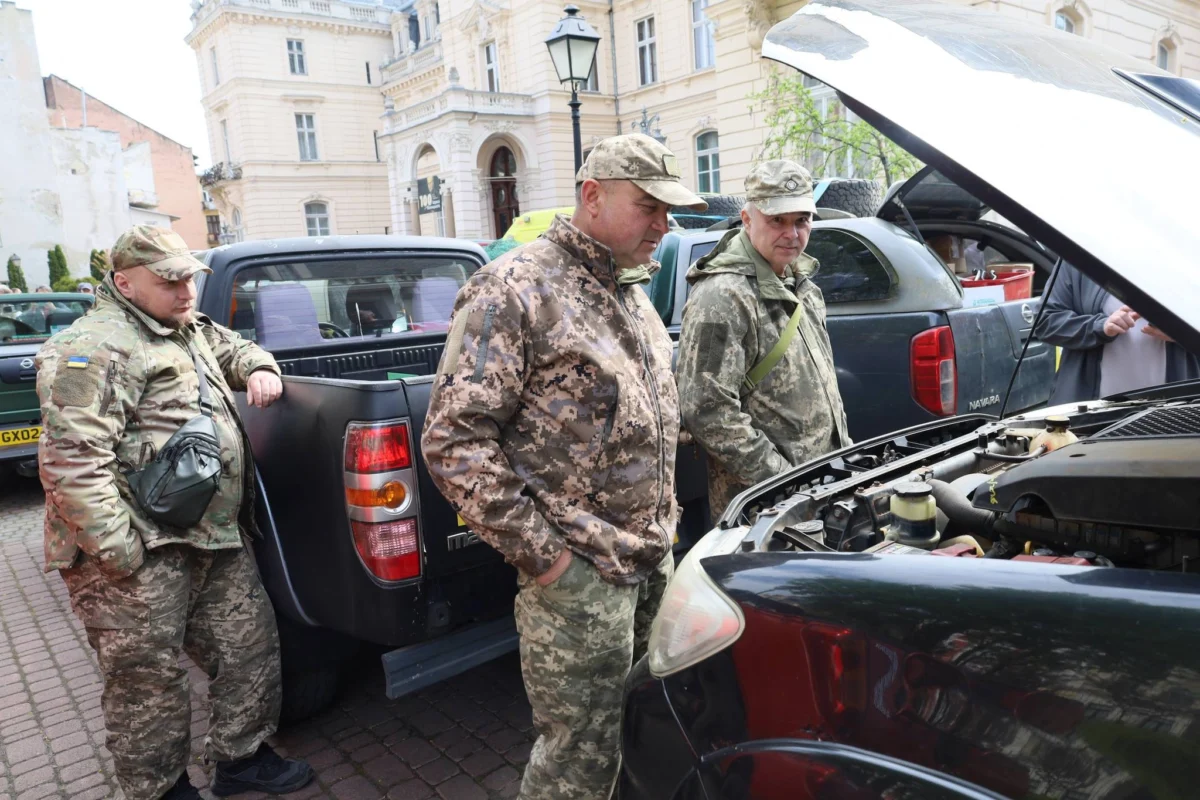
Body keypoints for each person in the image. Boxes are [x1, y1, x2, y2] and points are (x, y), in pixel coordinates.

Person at [422, 134, 707, 800]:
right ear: (593, 196)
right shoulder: (514, 288)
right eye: (649, 207)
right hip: (579, 580)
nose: (665, 226)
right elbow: (454, 442)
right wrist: (548, 560)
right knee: (576, 764)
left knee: (641, 735)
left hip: (649, 564)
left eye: (670, 211)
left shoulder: (630, 292)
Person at [35, 225, 313, 800]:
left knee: (248, 648)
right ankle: (160, 789)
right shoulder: (94, 348)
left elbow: (231, 346)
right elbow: (72, 464)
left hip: (209, 534)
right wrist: (121, 552)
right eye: (169, 280)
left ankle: (242, 760)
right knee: (146, 679)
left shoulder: (181, 326)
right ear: (124, 283)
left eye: (190, 276)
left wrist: (260, 367)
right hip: (137, 548)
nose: (186, 290)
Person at [676, 160, 850, 520]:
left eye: (801, 220)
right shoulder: (723, 296)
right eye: (777, 220)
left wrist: (843, 456)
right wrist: (784, 482)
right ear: (746, 219)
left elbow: (825, 389)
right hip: (766, 508)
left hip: (822, 487)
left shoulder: (803, 285)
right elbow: (706, 408)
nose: (792, 233)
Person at [1035, 260, 1200, 404]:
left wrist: (1182, 332)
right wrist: (1100, 326)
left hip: (1174, 412)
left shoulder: (1185, 256)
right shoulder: (1080, 255)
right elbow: (1045, 321)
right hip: (1093, 414)